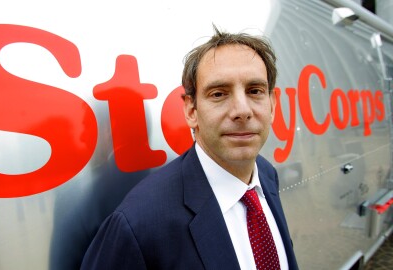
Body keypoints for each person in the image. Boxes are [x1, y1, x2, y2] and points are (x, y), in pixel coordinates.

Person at [80, 26, 299, 270]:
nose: (242, 110)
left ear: (272, 104)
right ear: (191, 111)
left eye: (255, 91)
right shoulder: (136, 225)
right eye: (219, 94)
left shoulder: (266, 175)